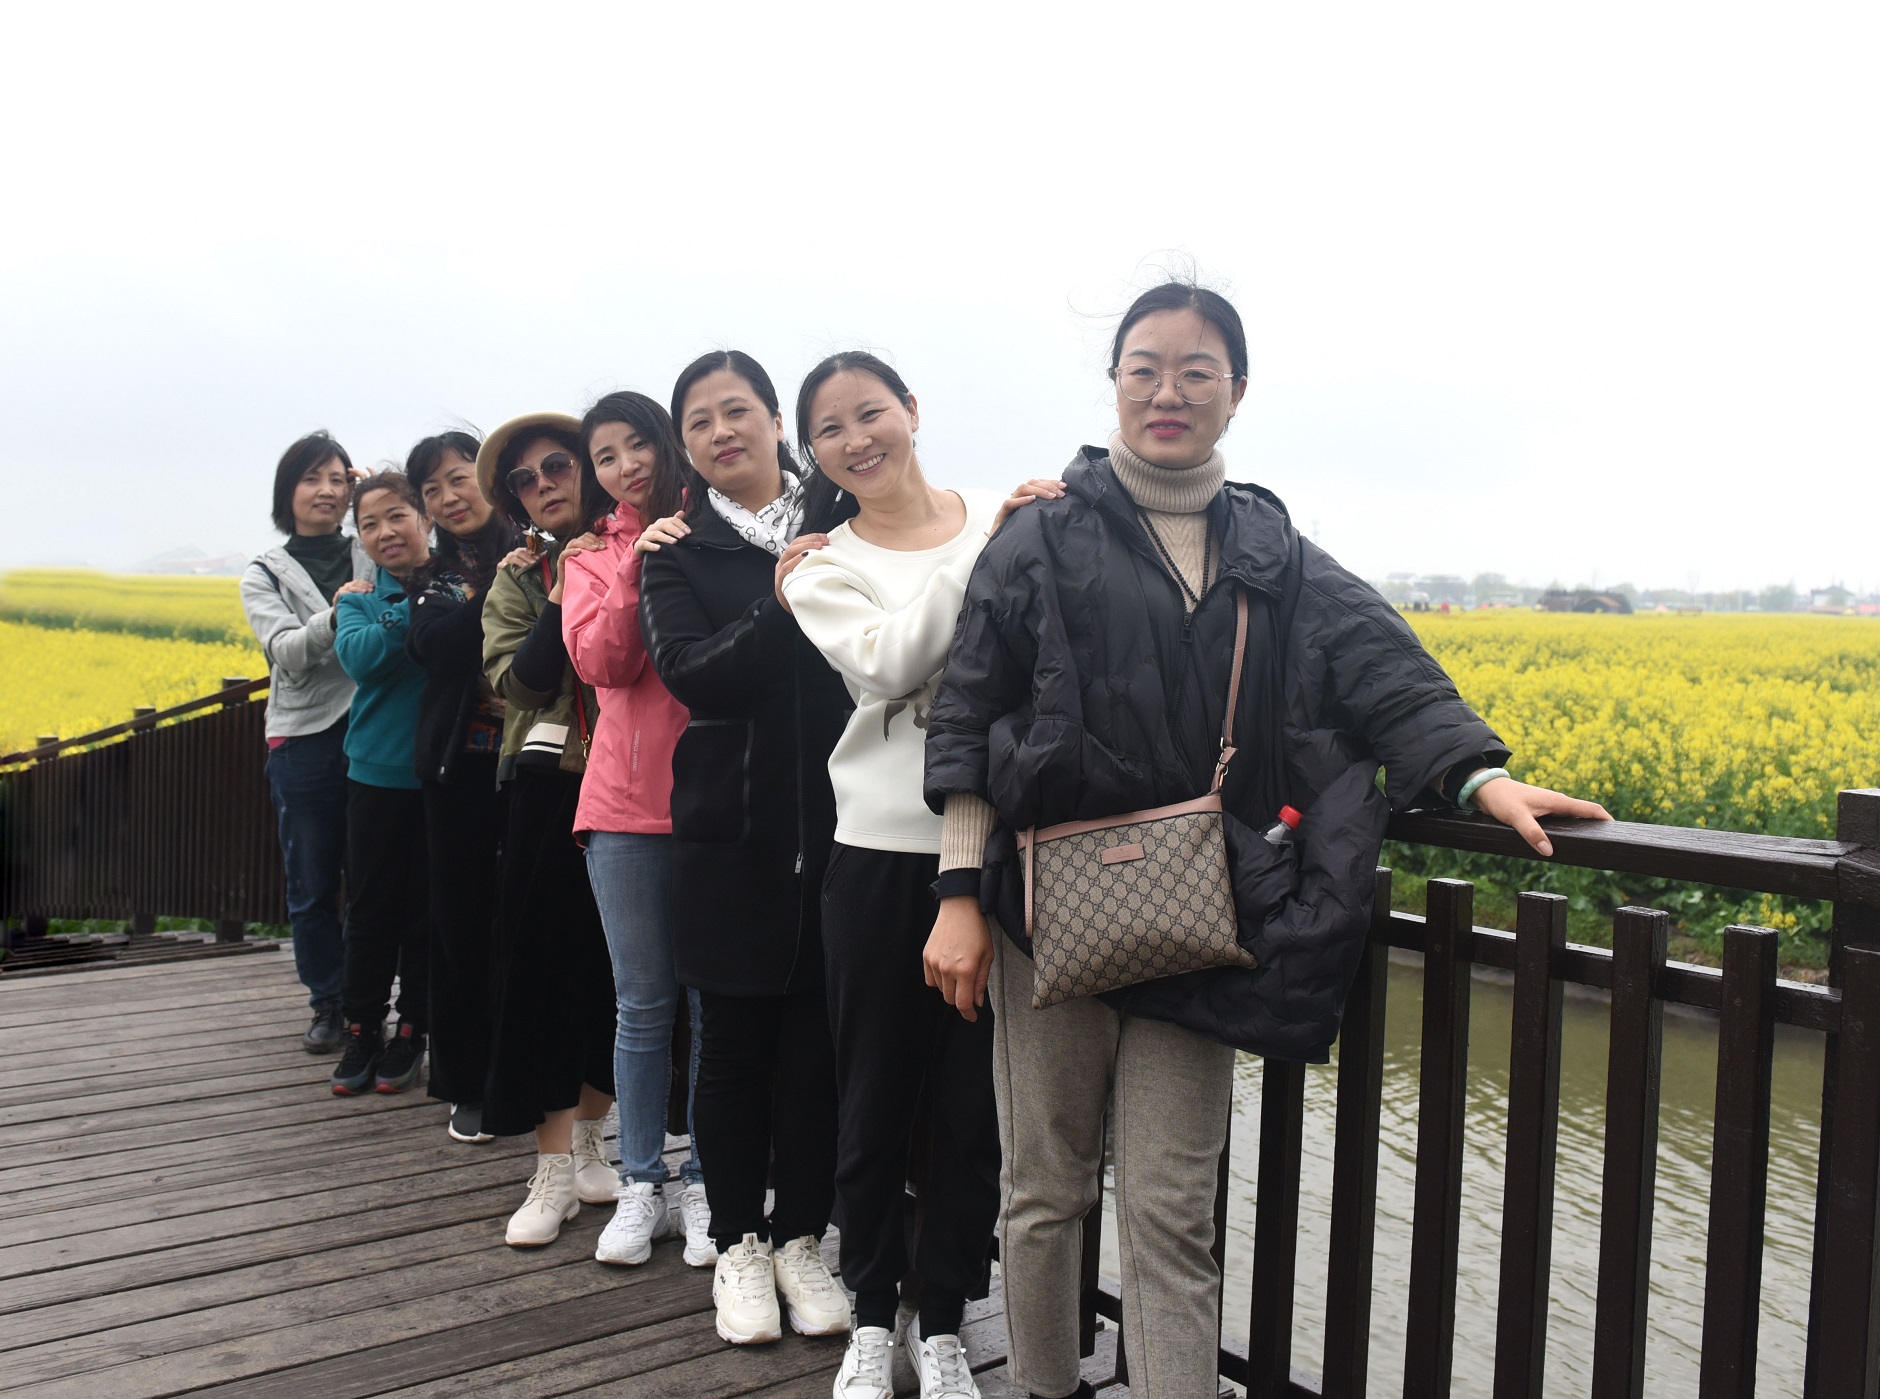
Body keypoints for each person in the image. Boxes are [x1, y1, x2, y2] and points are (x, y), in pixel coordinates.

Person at [921, 282, 1613, 1399]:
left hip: (1200, 914)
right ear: (1112, 384)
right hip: (1045, 910)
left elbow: (1379, 664)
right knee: (1044, 1190)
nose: (1169, 390)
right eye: (1144, 367)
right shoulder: (1040, 535)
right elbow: (968, 707)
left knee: (1172, 1208)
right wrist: (959, 893)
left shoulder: (1272, 546)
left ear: (1236, 392)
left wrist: (1476, 775)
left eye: (1197, 370)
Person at [777, 351, 1060, 1399]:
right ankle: (868, 1315)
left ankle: (940, 1320)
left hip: (993, 855)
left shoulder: (1000, 513)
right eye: (830, 428)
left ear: (910, 409)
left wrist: (1007, 529)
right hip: (876, 859)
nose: (858, 439)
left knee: (972, 1110)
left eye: (871, 412)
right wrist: (992, 545)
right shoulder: (819, 566)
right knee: (873, 1095)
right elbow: (889, 663)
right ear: (813, 452)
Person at [635, 350, 852, 1347]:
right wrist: (784, 596)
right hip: (728, 836)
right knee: (729, 1049)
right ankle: (736, 1244)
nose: (722, 431)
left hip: (844, 826)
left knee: (813, 1050)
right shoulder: (676, 552)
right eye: (699, 422)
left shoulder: (845, 517)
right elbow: (692, 674)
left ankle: (802, 1236)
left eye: (737, 410)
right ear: (686, 447)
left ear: (775, 419)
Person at [560, 390, 713, 1268]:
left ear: (666, 440)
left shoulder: (717, 529)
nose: (627, 466)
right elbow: (603, 661)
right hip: (622, 807)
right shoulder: (591, 558)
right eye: (606, 456)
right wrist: (633, 565)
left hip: (717, 802)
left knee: (710, 1001)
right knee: (644, 1003)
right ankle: (641, 1180)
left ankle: (707, 1183)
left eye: (637, 444)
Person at [475, 412, 621, 1247]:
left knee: (620, 972)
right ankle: (552, 1164)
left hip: (635, 782)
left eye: (558, 465)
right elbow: (521, 685)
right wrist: (563, 590)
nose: (543, 485)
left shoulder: (637, 544)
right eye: (523, 480)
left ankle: (594, 1134)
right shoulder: (519, 579)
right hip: (548, 785)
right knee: (539, 968)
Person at [404, 429, 521, 1144]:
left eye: (459, 478)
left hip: (537, 768)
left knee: (525, 925)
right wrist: (502, 590)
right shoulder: (438, 578)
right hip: (460, 775)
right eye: (433, 490)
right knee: (460, 926)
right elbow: (433, 646)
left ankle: (523, 1072)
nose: (450, 498)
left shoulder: (543, 548)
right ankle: (464, 1080)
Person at [241, 430, 375, 1054]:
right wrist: (340, 613)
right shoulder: (264, 573)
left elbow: (422, 551)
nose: (326, 490)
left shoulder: (371, 546)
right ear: (287, 491)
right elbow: (288, 653)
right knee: (313, 880)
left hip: (377, 728)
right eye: (311, 478)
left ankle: (370, 1003)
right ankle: (328, 1000)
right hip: (303, 741)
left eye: (338, 479)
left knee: (376, 874)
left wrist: (380, 492)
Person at [329, 470, 436, 1096]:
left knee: (427, 911)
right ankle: (362, 1026)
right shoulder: (357, 599)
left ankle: (413, 1028)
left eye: (396, 515)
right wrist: (414, 607)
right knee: (370, 911)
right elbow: (362, 658)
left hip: (442, 776)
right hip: (374, 775)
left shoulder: (463, 584)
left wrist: (433, 597)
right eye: (369, 524)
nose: (385, 531)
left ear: (425, 517)